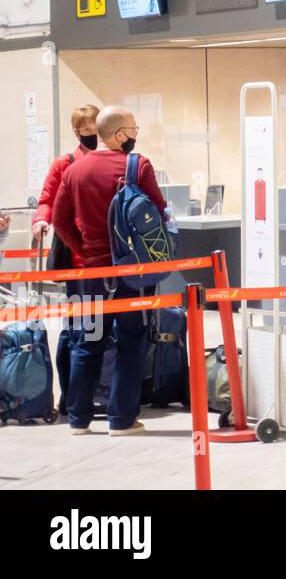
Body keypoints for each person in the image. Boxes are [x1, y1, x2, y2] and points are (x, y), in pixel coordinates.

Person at [51, 105, 168, 435]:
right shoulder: (137, 165)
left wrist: (84, 250)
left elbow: (60, 220)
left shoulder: (74, 172)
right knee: (132, 340)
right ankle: (121, 419)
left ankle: (78, 420)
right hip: (133, 275)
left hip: (91, 276)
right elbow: (157, 211)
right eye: (133, 129)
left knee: (87, 342)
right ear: (119, 134)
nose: (135, 136)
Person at [32, 104, 101, 264]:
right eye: (87, 130)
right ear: (77, 133)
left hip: (109, 248)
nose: (94, 134)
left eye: (97, 128)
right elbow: (47, 200)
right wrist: (41, 220)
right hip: (75, 248)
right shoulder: (63, 164)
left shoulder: (114, 161)